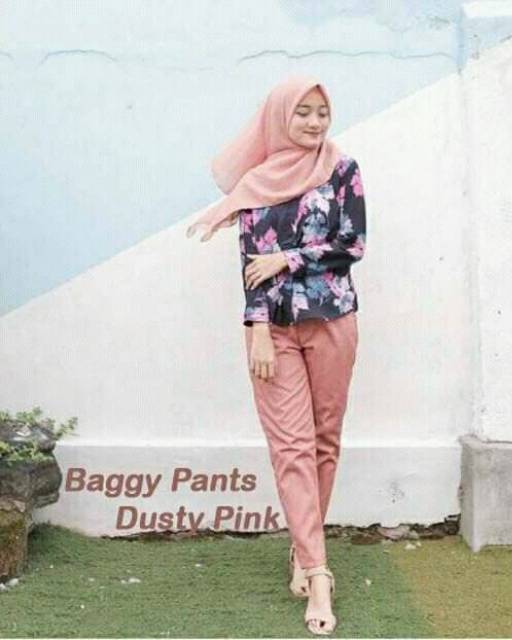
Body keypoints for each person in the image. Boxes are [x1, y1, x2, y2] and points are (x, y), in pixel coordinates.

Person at [186, 74, 366, 636]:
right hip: (274, 332)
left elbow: (352, 244)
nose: (314, 122)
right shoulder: (257, 181)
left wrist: (288, 259)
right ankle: (318, 573)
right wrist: (259, 330)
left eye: (321, 112)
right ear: (279, 117)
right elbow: (250, 264)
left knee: (323, 440)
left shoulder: (342, 170)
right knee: (291, 446)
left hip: (333, 320)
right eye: (302, 112)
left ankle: (301, 547)